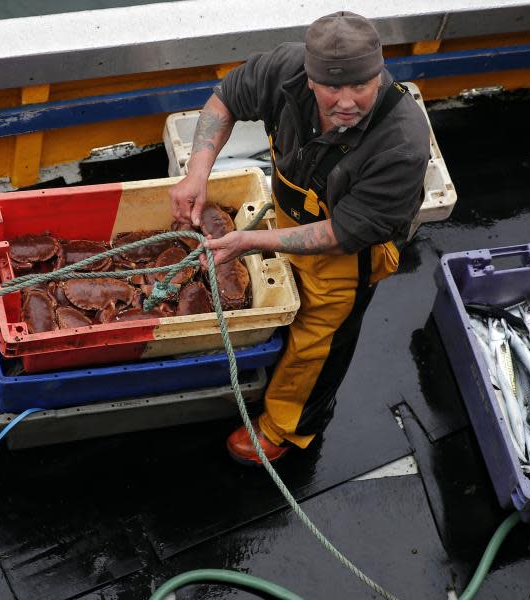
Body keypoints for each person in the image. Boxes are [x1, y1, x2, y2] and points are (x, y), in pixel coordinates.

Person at [169, 11, 430, 464]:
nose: (346, 101)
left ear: (379, 73)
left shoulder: (401, 140)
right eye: (332, 86)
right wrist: (197, 173)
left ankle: (287, 428)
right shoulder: (283, 69)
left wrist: (250, 242)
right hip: (291, 219)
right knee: (284, 304)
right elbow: (224, 101)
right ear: (309, 79)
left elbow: (343, 232)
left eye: (361, 85)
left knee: (318, 341)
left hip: (350, 252)